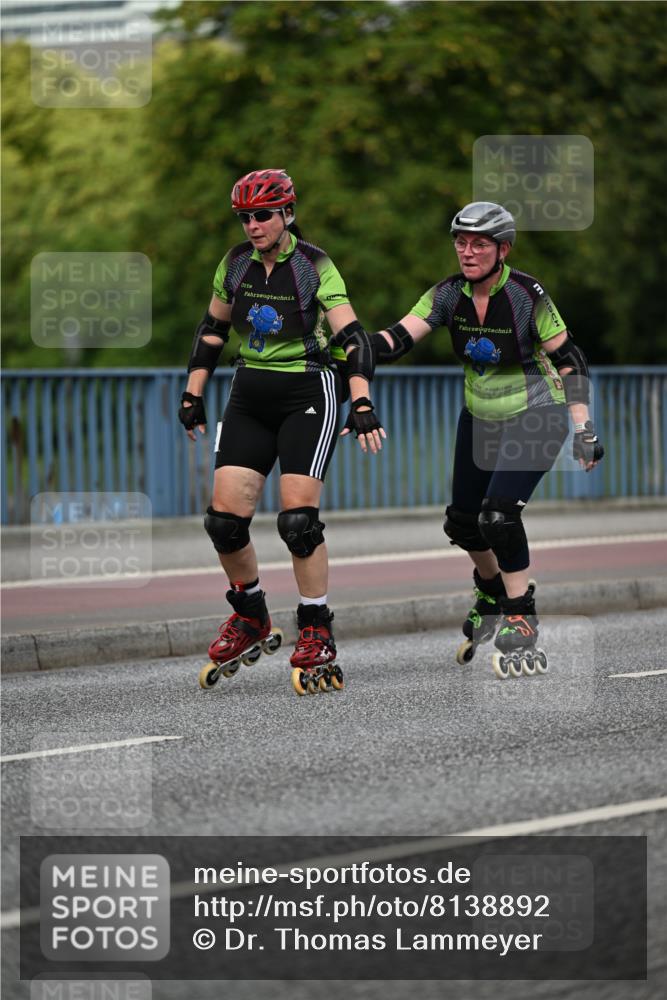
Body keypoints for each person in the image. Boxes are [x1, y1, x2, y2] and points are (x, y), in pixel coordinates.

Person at [369, 201, 603, 676]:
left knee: (497, 516)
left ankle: (520, 613)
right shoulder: (446, 295)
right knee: (462, 524)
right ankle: (492, 591)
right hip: (480, 416)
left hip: (538, 411)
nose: (468, 252)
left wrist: (583, 426)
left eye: (479, 244)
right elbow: (396, 340)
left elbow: (570, 359)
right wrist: (350, 346)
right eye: (461, 242)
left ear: (503, 250)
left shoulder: (526, 295)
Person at [178, 168, 384, 695]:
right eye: (245, 217)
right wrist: (193, 393)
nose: (253, 225)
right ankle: (250, 613)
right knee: (223, 522)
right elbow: (213, 329)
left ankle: (316, 626)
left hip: (308, 391)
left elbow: (354, 337)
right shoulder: (234, 263)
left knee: (297, 523)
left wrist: (361, 399)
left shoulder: (315, 266)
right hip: (249, 392)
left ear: (287, 214)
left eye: (263, 215)